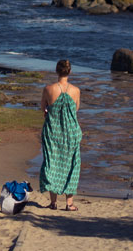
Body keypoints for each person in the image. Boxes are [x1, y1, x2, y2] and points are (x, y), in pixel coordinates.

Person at [39, 59, 82, 211]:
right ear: (69, 72)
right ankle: (69, 203)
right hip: (71, 132)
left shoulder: (48, 89)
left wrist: (49, 112)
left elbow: (43, 108)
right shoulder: (75, 90)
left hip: (53, 131)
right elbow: (75, 109)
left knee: (52, 163)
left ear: (57, 71)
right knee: (72, 164)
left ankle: (53, 202)